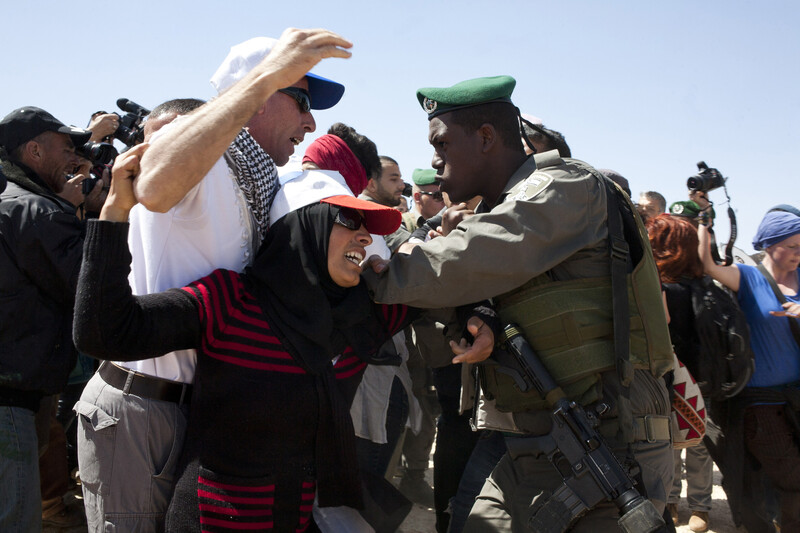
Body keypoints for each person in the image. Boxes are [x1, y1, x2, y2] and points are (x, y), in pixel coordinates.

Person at [364, 75, 674, 531]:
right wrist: (478, 317)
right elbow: (486, 290)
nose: (435, 160)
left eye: (443, 143)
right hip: (536, 434)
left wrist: (363, 266)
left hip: (607, 438)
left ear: (486, 137)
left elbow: (456, 265)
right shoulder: (506, 203)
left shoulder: (561, 187)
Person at [75, 143, 436, 531]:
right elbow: (105, 332)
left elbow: (445, 289)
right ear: (306, 226)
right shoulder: (231, 301)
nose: (366, 238)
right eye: (350, 221)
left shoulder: (360, 312)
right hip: (215, 521)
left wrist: (422, 272)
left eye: (367, 229)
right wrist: (113, 215)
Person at [75, 29, 351, 532]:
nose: (311, 123)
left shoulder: (258, 175)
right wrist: (269, 74)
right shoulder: (206, 154)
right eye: (302, 100)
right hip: (142, 407)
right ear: (261, 92)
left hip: (197, 409)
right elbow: (154, 188)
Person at [0, 106, 96, 531]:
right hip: (11, 401)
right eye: (67, 147)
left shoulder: (16, 203)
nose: (75, 158)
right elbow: (89, 290)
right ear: (34, 151)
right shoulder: (37, 212)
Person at [698, 208, 800, 531]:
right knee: (792, 478)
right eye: (793, 246)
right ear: (770, 245)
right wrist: (704, 222)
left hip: (797, 401)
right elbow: (707, 265)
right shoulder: (749, 276)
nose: (799, 253)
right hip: (761, 406)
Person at [646, 214, 714, 532]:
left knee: (694, 442)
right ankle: (675, 502)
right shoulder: (656, 285)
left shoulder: (700, 287)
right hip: (670, 377)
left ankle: (699, 507)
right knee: (677, 442)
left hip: (692, 378)